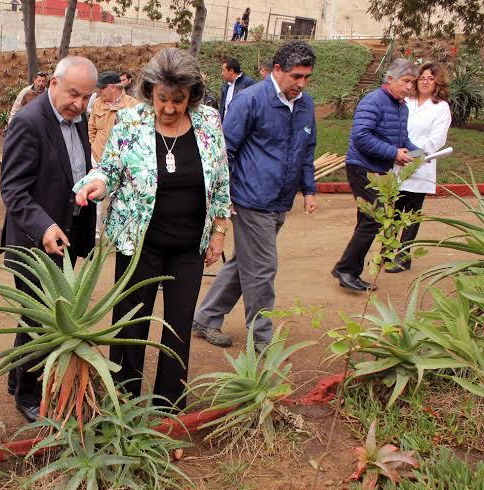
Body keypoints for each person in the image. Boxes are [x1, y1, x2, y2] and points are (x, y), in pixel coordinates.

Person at [74, 48, 231, 408]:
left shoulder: (208, 122)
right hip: (139, 244)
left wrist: (219, 233)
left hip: (189, 248)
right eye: (163, 99)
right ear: (150, 92)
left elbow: (221, 181)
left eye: (179, 99)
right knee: (130, 326)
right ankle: (123, 406)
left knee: (177, 330)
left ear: (192, 94)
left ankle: (168, 410)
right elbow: (109, 168)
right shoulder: (131, 122)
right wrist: (98, 183)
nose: (171, 108)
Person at [192, 41, 318, 351]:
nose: (301, 84)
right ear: (277, 70)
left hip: (280, 200)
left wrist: (309, 189)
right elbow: (226, 150)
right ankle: (262, 336)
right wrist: (226, 196)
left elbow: (307, 149)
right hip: (250, 198)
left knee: (245, 262)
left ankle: (206, 318)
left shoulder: (305, 105)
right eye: (295, 76)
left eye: (306, 77)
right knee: (263, 267)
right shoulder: (250, 100)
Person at [0, 56, 97, 422]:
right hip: (34, 242)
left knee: (37, 315)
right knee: (38, 319)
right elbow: (13, 190)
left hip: (66, 237)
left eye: (87, 98)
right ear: (53, 83)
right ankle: (27, 394)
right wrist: (43, 226)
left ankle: (15, 377)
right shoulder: (28, 122)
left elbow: (74, 167)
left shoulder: (78, 117)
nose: (80, 104)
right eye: (74, 94)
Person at [332, 59, 419, 290]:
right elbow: (361, 136)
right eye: (406, 81)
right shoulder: (373, 101)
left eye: (413, 82)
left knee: (367, 220)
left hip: (378, 170)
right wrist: (393, 153)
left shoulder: (403, 107)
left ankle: (350, 272)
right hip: (361, 167)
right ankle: (345, 269)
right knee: (374, 218)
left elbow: (401, 140)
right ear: (390, 79)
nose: (410, 87)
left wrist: (417, 151)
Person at [387, 62, 452, 273]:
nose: (425, 82)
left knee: (411, 215)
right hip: (397, 162)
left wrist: (412, 155)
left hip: (420, 166)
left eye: (430, 78)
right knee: (393, 212)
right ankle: (386, 252)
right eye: (421, 77)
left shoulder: (440, 107)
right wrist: (395, 152)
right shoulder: (406, 101)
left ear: (437, 83)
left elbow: (436, 140)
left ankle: (403, 257)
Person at [89, 71, 138, 239]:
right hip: (98, 159)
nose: (98, 92)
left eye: (101, 88)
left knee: (121, 198)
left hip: (122, 163)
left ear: (111, 87)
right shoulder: (97, 103)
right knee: (95, 199)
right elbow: (92, 128)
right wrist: (95, 147)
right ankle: (94, 235)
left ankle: (119, 234)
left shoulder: (133, 105)